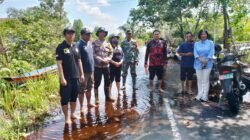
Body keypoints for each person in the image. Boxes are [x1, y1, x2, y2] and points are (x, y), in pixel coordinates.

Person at [56, 26, 85, 124]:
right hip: (66, 78)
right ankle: (66, 117)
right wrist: (62, 78)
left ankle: (72, 114)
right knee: (64, 98)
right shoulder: (60, 47)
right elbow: (59, 63)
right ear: (65, 34)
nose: (71, 35)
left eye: (72, 33)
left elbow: (79, 60)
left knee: (74, 96)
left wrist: (82, 74)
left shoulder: (76, 47)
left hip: (76, 77)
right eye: (68, 33)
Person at [93, 27, 115, 104]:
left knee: (107, 81)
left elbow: (111, 53)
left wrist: (108, 59)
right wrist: (100, 59)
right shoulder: (94, 43)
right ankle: (96, 98)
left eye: (103, 32)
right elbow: (93, 54)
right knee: (97, 82)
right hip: (97, 66)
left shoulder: (108, 44)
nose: (102, 33)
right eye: (100, 32)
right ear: (98, 33)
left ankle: (108, 97)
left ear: (105, 34)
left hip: (106, 67)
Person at [77, 28, 96, 114]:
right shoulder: (79, 45)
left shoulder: (90, 43)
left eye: (89, 34)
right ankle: (81, 107)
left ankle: (88, 103)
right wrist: (80, 73)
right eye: (87, 34)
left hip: (91, 70)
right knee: (81, 90)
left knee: (89, 88)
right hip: (83, 72)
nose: (89, 36)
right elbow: (77, 60)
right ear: (82, 35)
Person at [194, 30, 215, 102]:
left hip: (207, 63)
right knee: (199, 79)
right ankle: (199, 94)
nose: (203, 35)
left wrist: (206, 60)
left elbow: (212, 52)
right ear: (200, 35)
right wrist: (200, 60)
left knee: (205, 80)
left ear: (207, 35)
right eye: (202, 34)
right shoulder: (196, 43)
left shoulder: (210, 43)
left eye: (205, 34)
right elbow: (195, 53)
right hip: (198, 63)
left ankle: (205, 96)